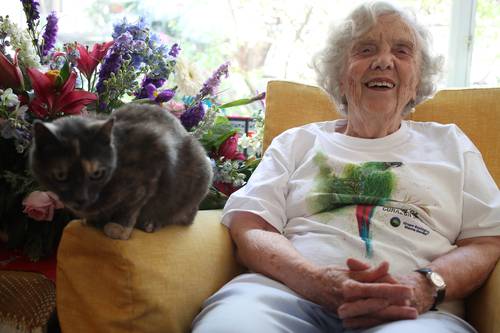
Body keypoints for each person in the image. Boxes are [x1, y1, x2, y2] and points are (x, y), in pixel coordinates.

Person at [192, 1, 500, 332]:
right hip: (285, 296)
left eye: (402, 51)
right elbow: (251, 226)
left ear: (418, 79)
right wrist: (314, 280)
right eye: (365, 49)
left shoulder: (450, 144)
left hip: (413, 313)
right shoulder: (297, 142)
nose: (383, 61)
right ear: (340, 74)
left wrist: (424, 286)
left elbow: (486, 241)